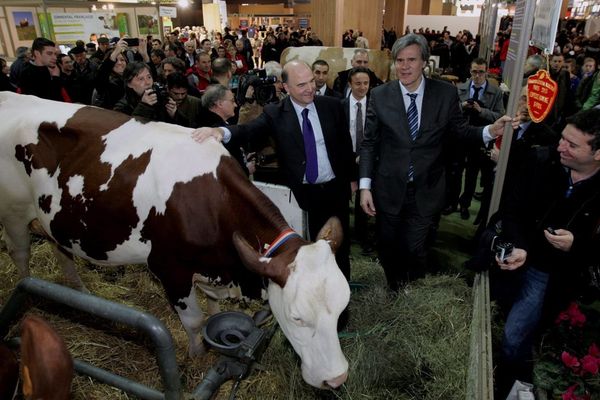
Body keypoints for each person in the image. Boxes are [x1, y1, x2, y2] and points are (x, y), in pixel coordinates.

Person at [358, 33, 508, 291]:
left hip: (427, 189)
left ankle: (411, 291)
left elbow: (460, 132)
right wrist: (364, 186)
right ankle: (395, 288)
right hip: (389, 188)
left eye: (411, 60)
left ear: (425, 62)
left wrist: (489, 132)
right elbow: (369, 143)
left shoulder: (445, 93)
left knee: (415, 248)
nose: (404, 67)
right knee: (387, 246)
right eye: (399, 60)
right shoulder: (380, 95)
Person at [191, 60, 355, 285]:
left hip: (335, 192)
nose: (310, 89)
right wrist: (219, 130)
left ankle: (341, 302)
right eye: (301, 85)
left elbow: (346, 147)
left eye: (311, 82)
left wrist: (353, 180)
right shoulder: (275, 113)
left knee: (338, 250)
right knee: (306, 251)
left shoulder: (332, 106)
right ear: (286, 88)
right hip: (302, 196)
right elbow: (248, 130)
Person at [493, 109, 600, 397]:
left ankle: (510, 384)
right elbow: (511, 209)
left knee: (515, 336)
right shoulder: (540, 161)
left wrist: (577, 244)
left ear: (598, 154)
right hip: (522, 257)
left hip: (556, 276)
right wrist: (520, 246)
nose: (560, 147)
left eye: (572, 145)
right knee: (510, 326)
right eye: (563, 138)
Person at [444, 57, 505, 219]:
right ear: (469, 72)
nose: (477, 76)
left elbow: (500, 116)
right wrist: (461, 106)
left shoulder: (496, 92)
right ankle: (452, 202)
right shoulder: (459, 89)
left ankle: (465, 205)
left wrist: (481, 110)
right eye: (474, 72)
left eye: (481, 72)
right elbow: (449, 111)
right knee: (455, 172)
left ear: (487, 72)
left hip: (480, 138)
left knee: (472, 174)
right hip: (460, 136)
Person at [341, 67, 371, 252]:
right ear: (350, 84)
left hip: (366, 160)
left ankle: (363, 236)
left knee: (364, 199)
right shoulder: (340, 105)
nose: (362, 87)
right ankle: (343, 237)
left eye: (366, 83)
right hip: (345, 160)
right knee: (343, 200)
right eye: (358, 83)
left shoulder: (377, 105)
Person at [18, 37, 66, 102]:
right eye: (49, 54)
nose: (55, 58)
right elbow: (47, 99)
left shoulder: (53, 67)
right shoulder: (27, 73)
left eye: (55, 54)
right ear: (37, 53)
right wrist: (55, 78)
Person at [93, 39, 129, 109]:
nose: (119, 63)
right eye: (115, 60)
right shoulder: (107, 82)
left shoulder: (130, 78)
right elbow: (101, 76)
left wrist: (144, 55)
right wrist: (114, 54)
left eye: (122, 60)